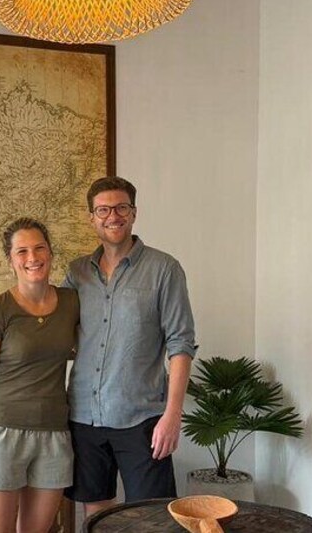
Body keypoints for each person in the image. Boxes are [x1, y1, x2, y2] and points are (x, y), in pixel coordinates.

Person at [62, 176, 196, 517]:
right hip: (84, 416)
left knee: (151, 517)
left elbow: (181, 344)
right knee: (97, 512)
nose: (113, 216)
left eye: (121, 208)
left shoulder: (164, 269)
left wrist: (172, 415)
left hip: (142, 418)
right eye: (103, 210)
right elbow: (48, 321)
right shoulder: (77, 273)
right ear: (92, 217)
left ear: (134, 213)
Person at [0, 217, 79, 533]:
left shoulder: (72, 302)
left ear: (50, 252)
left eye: (39, 248)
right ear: (10, 260)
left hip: (54, 436)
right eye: (22, 251)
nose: (32, 258)